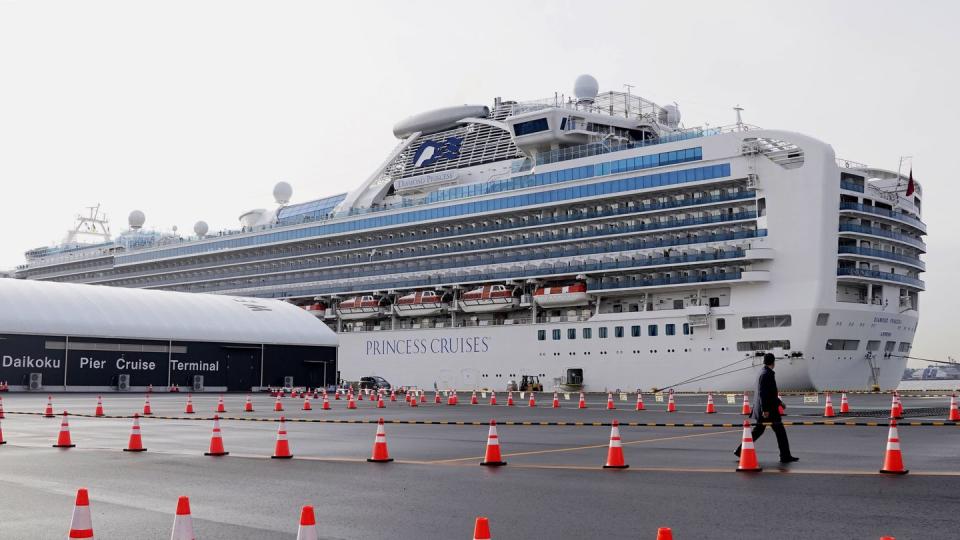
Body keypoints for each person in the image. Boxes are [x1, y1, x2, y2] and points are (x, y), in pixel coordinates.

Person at [734, 353, 799, 463]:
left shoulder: (763, 372)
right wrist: (765, 410)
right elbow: (764, 394)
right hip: (769, 410)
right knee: (780, 431)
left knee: (758, 431)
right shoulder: (767, 374)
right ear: (773, 362)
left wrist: (780, 403)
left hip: (766, 409)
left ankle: (740, 451)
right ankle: (785, 456)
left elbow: (770, 393)